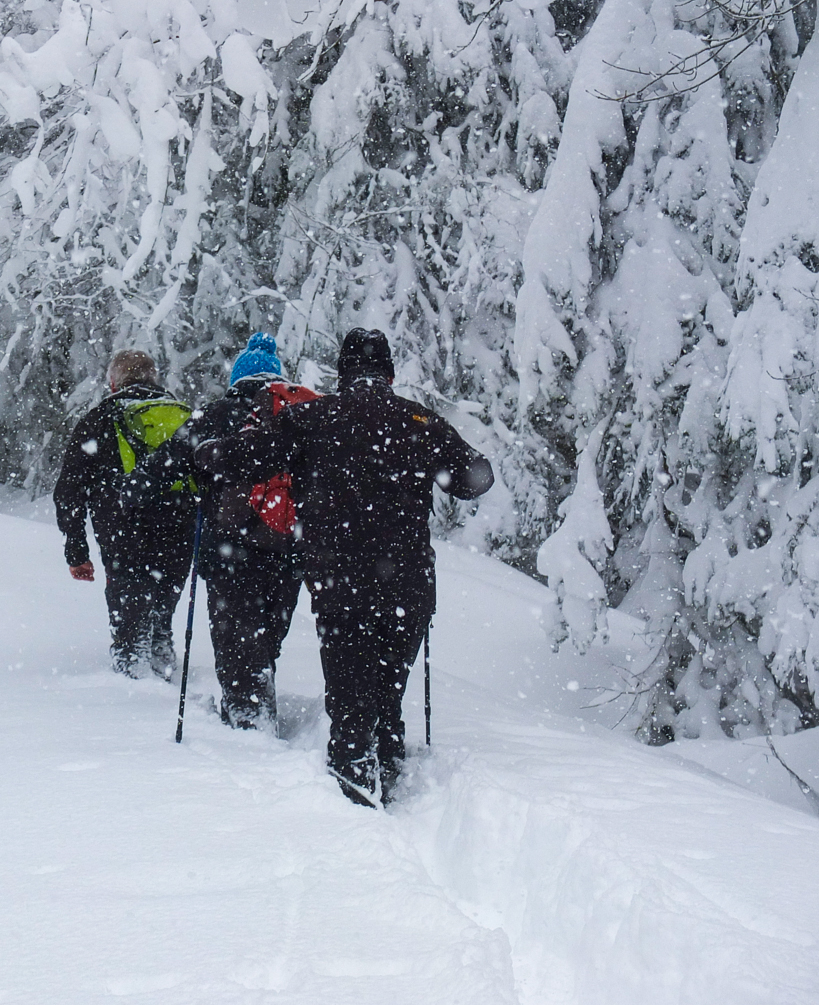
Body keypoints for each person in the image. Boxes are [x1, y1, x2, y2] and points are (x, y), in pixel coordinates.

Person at [199, 329, 493, 806]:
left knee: (351, 695)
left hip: (341, 581)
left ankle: (357, 794)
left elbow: (247, 457)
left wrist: (208, 455)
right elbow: (474, 478)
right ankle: (391, 773)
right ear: (390, 374)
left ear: (343, 372)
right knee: (387, 688)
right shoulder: (418, 420)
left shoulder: (313, 418)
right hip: (409, 583)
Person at [178, 333, 314, 732]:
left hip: (229, 550)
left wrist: (131, 493)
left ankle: (249, 729)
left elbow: (168, 464)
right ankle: (256, 700)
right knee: (266, 638)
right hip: (288, 548)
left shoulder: (214, 416)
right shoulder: (299, 418)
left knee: (237, 639)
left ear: (237, 380)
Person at [54, 350, 197, 680]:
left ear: (113, 381)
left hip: (122, 530)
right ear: (154, 378)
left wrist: (77, 550)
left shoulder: (101, 418)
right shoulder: (181, 417)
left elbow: (70, 490)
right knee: (163, 609)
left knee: (129, 607)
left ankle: (132, 677)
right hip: (178, 529)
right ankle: (160, 655)